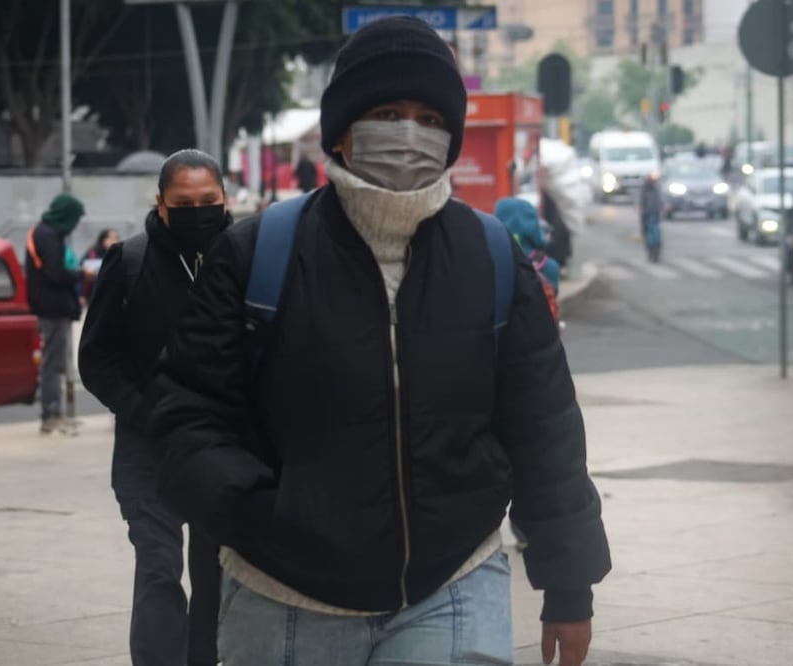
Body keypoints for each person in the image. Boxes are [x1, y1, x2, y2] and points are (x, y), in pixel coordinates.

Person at [139, 17, 610, 666]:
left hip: (453, 585)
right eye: (387, 113)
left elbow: (544, 426)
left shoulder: (493, 258)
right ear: (341, 130)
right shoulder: (255, 255)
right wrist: (257, 511)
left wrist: (568, 583)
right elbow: (187, 412)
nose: (409, 134)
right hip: (282, 599)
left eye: (429, 118)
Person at [78, 150, 231, 666]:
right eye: (183, 204)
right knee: (159, 567)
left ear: (225, 198)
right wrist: (146, 411)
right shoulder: (130, 262)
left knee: (215, 577)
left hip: (221, 451)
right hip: (147, 451)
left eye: (208, 201)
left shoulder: (245, 257)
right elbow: (96, 359)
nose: (197, 212)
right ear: (161, 204)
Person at [26, 193, 89, 435]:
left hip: (50, 306)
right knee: (53, 363)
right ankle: (51, 414)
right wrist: (80, 274)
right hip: (52, 307)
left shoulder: (42, 232)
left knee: (56, 362)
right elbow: (56, 273)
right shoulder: (49, 236)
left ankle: (56, 412)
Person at [77, 228, 119, 307]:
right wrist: (81, 294)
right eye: (110, 238)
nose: (114, 241)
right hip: (93, 293)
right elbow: (82, 273)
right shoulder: (92, 253)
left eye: (116, 238)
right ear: (103, 239)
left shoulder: (119, 254)